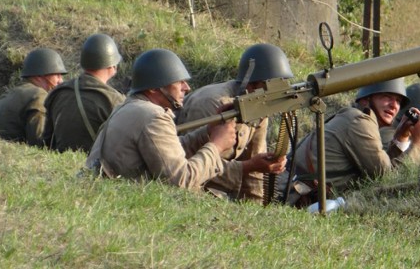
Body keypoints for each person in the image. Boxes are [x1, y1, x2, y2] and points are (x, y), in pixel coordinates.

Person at [86, 48, 237, 191]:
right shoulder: (153, 116)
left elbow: (165, 150)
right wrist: (216, 146)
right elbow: (182, 181)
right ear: (153, 88)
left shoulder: (129, 107)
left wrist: (207, 132)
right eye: (179, 82)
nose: (187, 88)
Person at [280, 78, 420, 207]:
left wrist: (400, 139)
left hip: (289, 192)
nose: (394, 105)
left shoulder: (355, 117)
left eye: (398, 101)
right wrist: (419, 145)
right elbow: (388, 180)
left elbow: (379, 168)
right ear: (365, 99)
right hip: (288, 196)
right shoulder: (360, 122)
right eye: (387, 97)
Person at [175, 43, 290, 202]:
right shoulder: (213, 104)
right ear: (252, 85)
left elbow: (255, 171)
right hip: (188, 186)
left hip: (219, 185)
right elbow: (188, 165)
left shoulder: (258, 106)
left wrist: (256, 211)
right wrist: (248, 166)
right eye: (270, 87)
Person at [43, 34, 125, 153]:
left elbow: (47, 140)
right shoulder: (114, 100)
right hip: (94, 165)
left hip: (59, 160)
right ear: (112, 66)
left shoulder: (58, 92)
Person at [0, 48, 67, 146]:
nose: (61, 81)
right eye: (57, 75)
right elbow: (40, 142)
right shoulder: (38, 95)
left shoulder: (13, 93)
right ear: (39, 76)